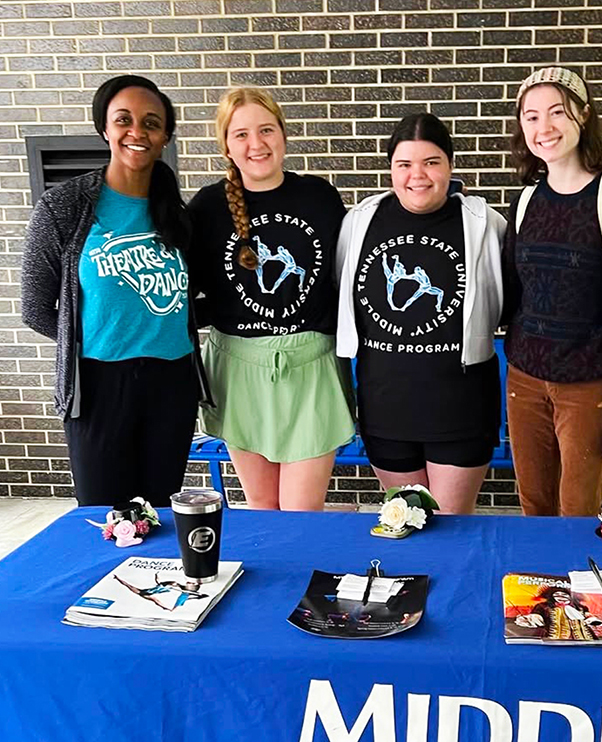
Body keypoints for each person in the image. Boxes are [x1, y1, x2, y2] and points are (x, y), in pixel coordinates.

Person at [21, 74, 210, 507]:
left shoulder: (177, 215)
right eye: (124, 119)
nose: (137, 132)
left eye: (152, 123)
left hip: (171, 384)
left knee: (161, 514)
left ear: (165, 137)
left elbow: (193, 297)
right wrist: (93, 338)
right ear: (104, 128)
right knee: (105, 517)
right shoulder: (64, 207)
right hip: (97, 386)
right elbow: (34, 307)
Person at [187, 86, 354, 510]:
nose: (256, 144)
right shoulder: (207, 207)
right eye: (240, 134)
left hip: (310, 367)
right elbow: (190, 291)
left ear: (283, 133)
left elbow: (343, 280)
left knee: (302, 514)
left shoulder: (319, 197)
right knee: (264, 512)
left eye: (266, 130)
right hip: (239, 370)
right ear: (225, 144)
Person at [502, 66, 602, 517]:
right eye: (530, 116)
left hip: (589, 387)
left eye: (556, 112)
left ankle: (579, 590)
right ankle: (538, 590)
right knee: (533, 504)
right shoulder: (526, 201)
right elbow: (513, 294)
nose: (543, 127)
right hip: (525, 380)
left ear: (583, 116)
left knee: (577, 510)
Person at [336, 113, 506, 515]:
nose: (418, 175)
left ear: (449, 165)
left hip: (460, 407)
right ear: (391, 169)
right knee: (405, 525)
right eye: (405, 164)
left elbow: (509, 302)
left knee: (449, 529)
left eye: (431, 162)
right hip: (386, 407)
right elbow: (340, 296)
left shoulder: (485, 224)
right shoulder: (361, 222)